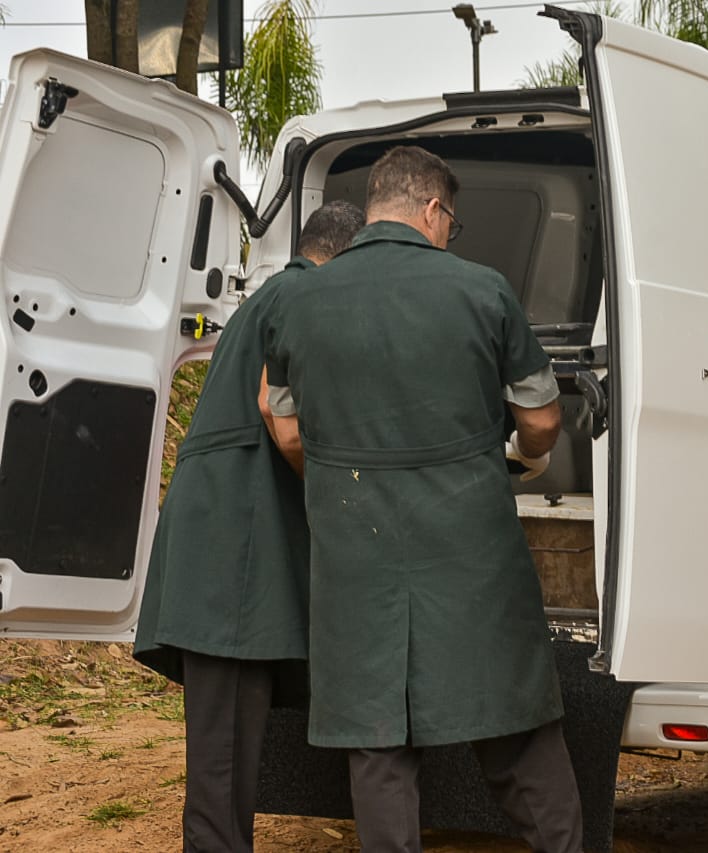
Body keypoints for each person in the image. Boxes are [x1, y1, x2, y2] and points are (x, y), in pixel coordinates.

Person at [261, 146, 582, 853]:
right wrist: (521, 460)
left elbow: (280, 417)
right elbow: (543, 418)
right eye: (450, 222)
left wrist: (336, 479)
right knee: (517, 730)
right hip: (471, 551)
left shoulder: (297, 299)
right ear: (433, 210)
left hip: (356, 557)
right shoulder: (484, 291)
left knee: (378, 749)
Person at [133, 200, 366, 852]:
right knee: (224, 766)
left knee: (226, 754)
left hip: (224, 543)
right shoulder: (304, 294)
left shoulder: (270, 296)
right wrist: (338, 494)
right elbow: (277, 408)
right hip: (233, 554)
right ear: (343, 257)